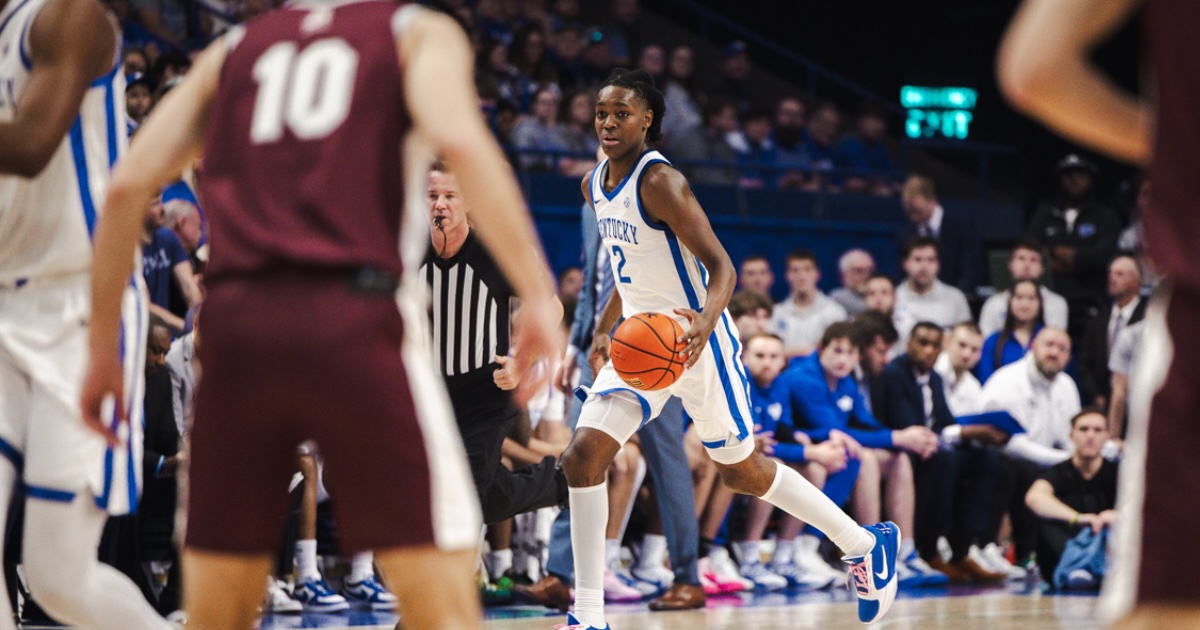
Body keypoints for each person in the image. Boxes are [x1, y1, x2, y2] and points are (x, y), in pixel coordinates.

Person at [81, 4, 563, 629]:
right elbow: (468, 148)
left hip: (238, 331)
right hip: (353, 318)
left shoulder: (235, 49)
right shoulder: (415, 32)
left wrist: (99, 349)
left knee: (217, 609)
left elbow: (125, 186)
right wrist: (539, 294)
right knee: (440, 601)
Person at [560, 68, 900, 630]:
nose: (609, 122)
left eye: (622, 113)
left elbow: (723, 267)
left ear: (648, 120)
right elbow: (627, 270)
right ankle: (589, 615)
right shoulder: (592, 184)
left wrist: (704, 324)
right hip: (643, 341)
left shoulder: (662, 183)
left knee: (740, 471)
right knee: (582, 457)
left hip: (700, 341)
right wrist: (603, 327)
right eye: (602, 113)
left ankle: (862, 543)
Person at [0, 0, 172, 625]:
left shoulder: (71, 16)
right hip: (6, 302)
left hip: (80, 305)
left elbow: (31, 144)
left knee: (56, 577)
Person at [421, 159, 568, 527]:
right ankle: (564, 481)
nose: (440, 205)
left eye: (450, 195)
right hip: (426, 394)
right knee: (457, 497)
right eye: (432, 195)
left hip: (485, 392)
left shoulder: (498, 250)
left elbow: (551, 309)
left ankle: (563, 482)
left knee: (466, 498)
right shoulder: (405, 248)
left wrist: (520, 364)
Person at [784, 322, 938, 587]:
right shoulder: (803, 378)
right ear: (822, 349)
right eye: (838, 350)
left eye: (851, 353)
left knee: (898, 457)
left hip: (831, 452)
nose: (844, 359)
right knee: (862, 458)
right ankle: (868, 552)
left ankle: (905, 551)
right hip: (801, 452)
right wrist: (899, 437)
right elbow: (835, 429)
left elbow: (866, 423)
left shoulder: (845, 381)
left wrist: (909, 439)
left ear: (858, 356)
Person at [874, 323, 1006, 583]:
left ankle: (963, 549)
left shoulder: (933, 378)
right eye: (922, 343)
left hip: (931, 447)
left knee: (988, 461)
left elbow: (944, 422)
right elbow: (906, 423)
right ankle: (929, 548)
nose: (928, 350)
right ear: (909, 343)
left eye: (935, 345)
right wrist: (963, 434)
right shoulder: (894, 373)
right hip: (902, 449)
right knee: (946, 459)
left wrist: (977, 434)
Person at [1022, 155, 1121, 341]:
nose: (1074, 181)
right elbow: (1030, 251)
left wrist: (1057, 253)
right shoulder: (1045, 213)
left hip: (1091, 305)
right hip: (1047, 306)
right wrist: (1077, 260)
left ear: (1091, 180)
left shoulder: (1105, 216)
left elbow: (1102, 257)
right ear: (1060, 180)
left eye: (1081, 175)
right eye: (1068, 175)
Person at [1025, 409, 1119, 588]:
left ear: (1107, 436)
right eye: (1084, 429)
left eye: (1097, 430)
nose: (1090, 436)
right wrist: (1078, 518)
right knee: (1046, 520)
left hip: (1105, 543)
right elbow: (1034, 497)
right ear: (1072, 435)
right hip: (1066, 546)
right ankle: (1080, 567)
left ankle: (1091, 567)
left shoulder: (1118, 472)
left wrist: (1118, 516)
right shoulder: (1059, 471)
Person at [1077, 255, 1145, 409]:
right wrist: (1096, 396)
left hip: (1135, 403)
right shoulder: (1098, 318)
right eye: (1111, 273)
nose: (1112, 278)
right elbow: (1084, 363)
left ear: (1137, 282)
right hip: (1101, 402)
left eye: (1120, 274)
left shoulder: (1148, 317)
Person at [898, 175, 984, 293]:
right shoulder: (906, 234)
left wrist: (956, 298)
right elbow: (904, 274)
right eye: (909, 213)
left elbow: (970, 270)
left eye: (916, 211)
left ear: (932, 200)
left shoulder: (961, 227)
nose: (913, 218)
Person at [978, 240, 1069, 337]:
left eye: (1033, 260)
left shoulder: (1056, 303)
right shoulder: (993, 303)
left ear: (1042, 268)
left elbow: (1055, 340)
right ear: (1010, 264)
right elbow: (985, 341)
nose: (1026, 266)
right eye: (1021, 259)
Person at [769, 249, 849, 357]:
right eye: (795, 270)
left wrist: (787, 353)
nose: (802, 276)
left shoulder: (835, 313)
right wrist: (812, 349)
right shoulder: (776, 313)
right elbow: (770, 351)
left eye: (807, 269)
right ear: (787, 275)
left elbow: (838, 351)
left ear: (817, 274)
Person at [895, 237, 972, 335]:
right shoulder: (894, 297)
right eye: (918, 260)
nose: (924, 266)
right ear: (905, 263)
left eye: (930, 260)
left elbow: (966, 337)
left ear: (938, 265)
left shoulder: (955, 298)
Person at [977, 279, 1045, 383]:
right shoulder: (993, 341)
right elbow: (986, 382)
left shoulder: (1050, 341)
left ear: (1040, 303)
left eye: (1031, 298)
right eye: (1019, 297)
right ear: (1010, 302)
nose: (1025, 304)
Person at [934, 322, 986, 416]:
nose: (967, 354)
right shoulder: (931, 371)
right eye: (962, 345)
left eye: (974, 350)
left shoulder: (974, 388)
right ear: (947, 342)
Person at [830, 248, 875, 317]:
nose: (866, 276)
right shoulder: (838, 298)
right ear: (843, 275)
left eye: (870, 271)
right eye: (859, 271)